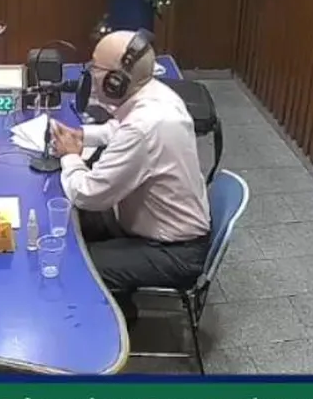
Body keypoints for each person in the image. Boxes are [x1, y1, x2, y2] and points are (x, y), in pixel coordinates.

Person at [49, 30, 211, 314]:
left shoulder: (144, 127)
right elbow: (119, 128)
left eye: (95, 68)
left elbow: (88, 195)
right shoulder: (157, 94)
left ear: (116, 81)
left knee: (74, 265)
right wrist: (82, 136)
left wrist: (70, 156)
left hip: (172, 252)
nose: (90, 74)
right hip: (159, 230)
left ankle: (117, 322)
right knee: (75, 230)